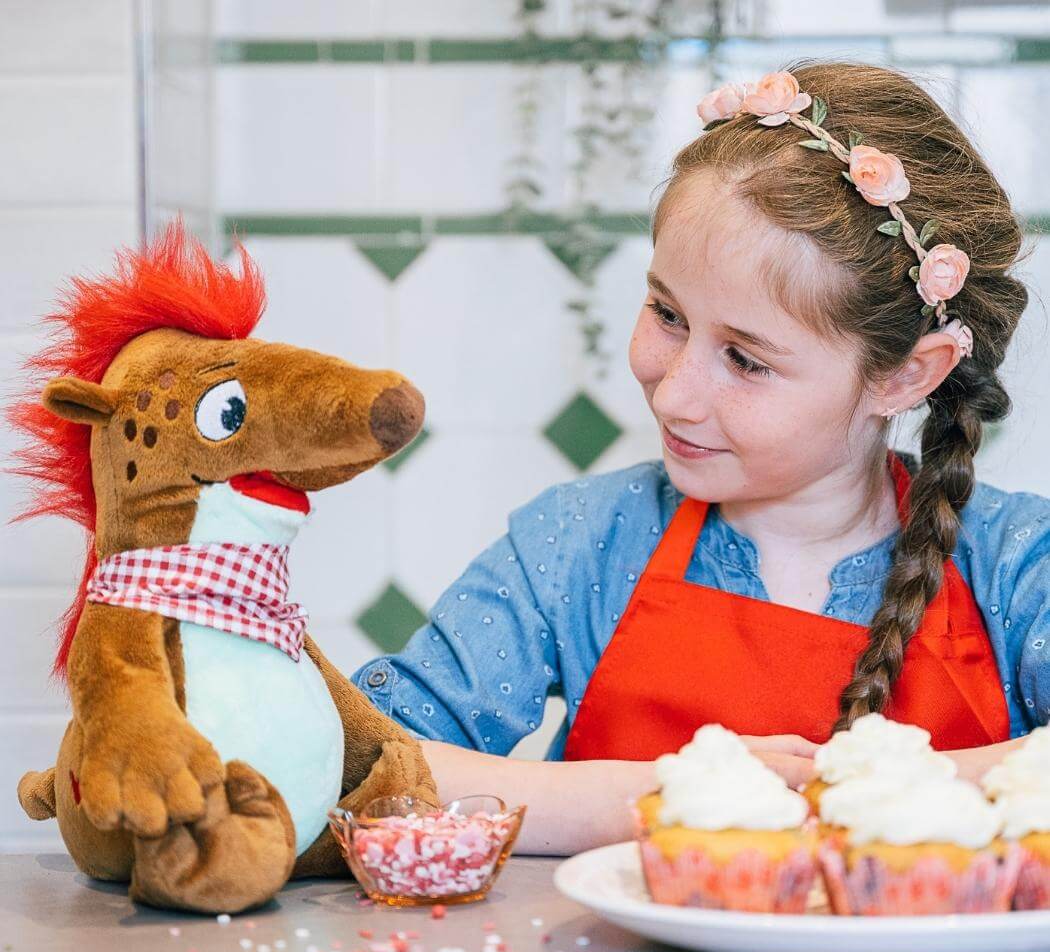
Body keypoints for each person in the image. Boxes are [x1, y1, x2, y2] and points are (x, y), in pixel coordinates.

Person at [350, 62, 1049, 856]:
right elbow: (364, 766)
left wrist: (859, 793)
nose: (675, 395)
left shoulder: (1016, 564)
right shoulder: (580, 542)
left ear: (904, 374)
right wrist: (659, 793)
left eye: (747, 360)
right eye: (667, 314)